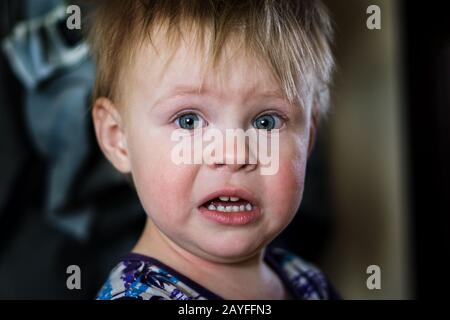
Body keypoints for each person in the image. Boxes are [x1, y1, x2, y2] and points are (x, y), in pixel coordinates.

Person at [88, 0, 338, 300]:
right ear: (118, 138)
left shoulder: (308, 281)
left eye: (266, 121)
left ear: (307, 139)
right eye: (189, 120)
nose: (233, 155)